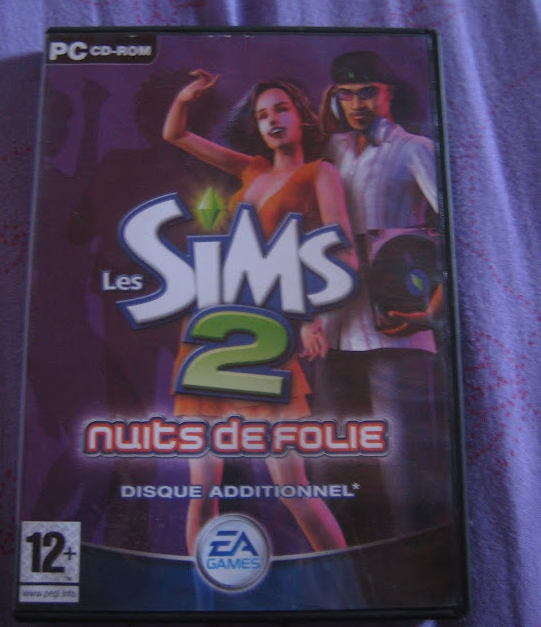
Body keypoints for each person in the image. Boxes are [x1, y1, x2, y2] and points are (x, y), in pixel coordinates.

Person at [162, 70, 358, 555]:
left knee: (293, 488)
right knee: (201, 491)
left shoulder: (320, 174)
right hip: (210, 327)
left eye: (281, 109)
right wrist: (185, 98)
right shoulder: (252, 169)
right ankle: (204, 595)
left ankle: (347, 586)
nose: (271, 120)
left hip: (266, 332)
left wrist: (313, 317)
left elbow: (343, 254)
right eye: (262, 114)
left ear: (301, 117)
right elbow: (176, 135)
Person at [317, 50, 450, 540]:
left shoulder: (413, 148)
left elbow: (456, 231)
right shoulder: (331, 149)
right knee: (329, 460)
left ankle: (419, 558)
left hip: (395, 325)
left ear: (388, 92)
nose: (357, 104)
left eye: (367, 92)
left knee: (404, 466)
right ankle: (352, 562)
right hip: (333, 328)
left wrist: (432, 311)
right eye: (346, 94)